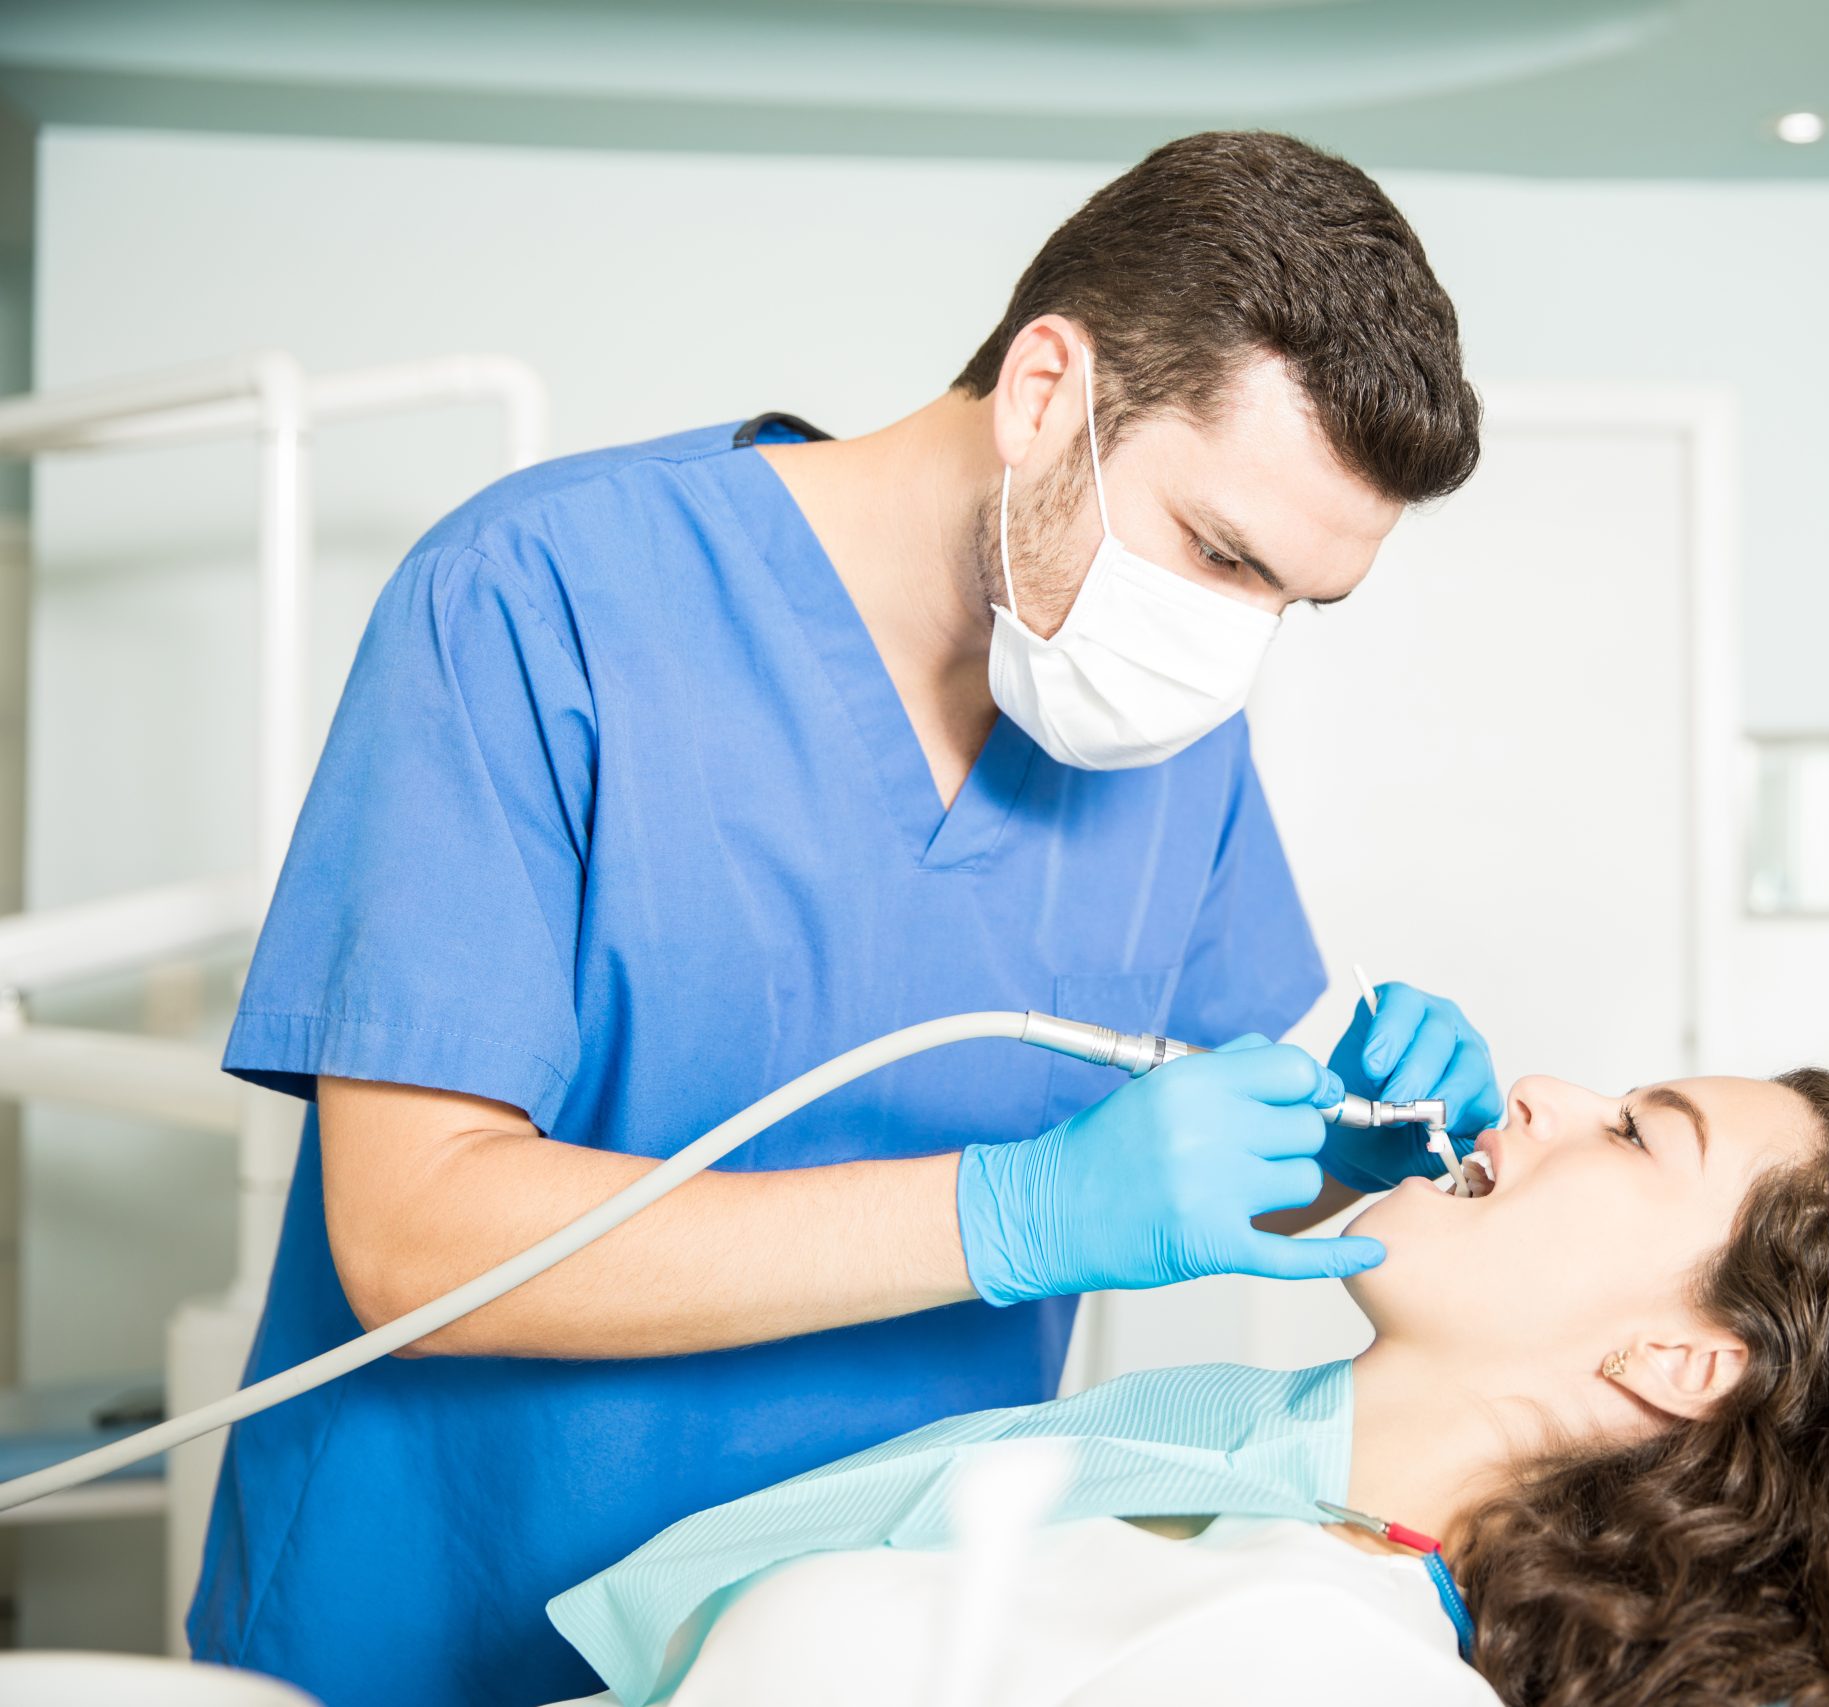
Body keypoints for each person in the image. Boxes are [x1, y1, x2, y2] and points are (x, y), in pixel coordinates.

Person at [193, 131, 1504, 1706]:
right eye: (1219, 551)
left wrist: (1335, 1157)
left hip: (844, 1653)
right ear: (1043, 392)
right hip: (431, 1622)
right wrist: (1008, 1213)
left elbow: (1168, 1176)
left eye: (1290, 601)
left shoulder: (1170, 746)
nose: (1229, 648)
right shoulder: (539, 595)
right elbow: (412, 1236)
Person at [547, 1064, 1829, 1707]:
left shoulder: (1329, 1663)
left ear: (1680, 1359)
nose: (1540, 1090)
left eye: (1635, 1130)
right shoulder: (1263, 1475)